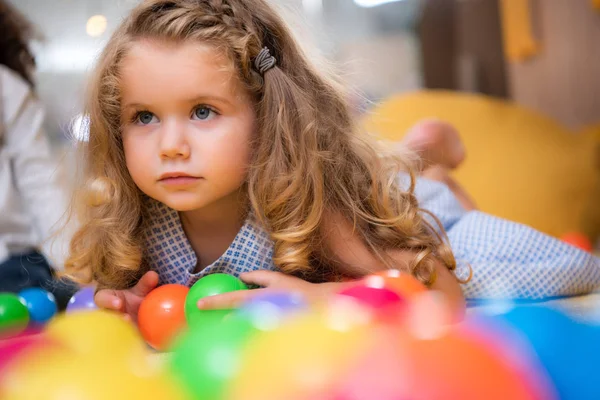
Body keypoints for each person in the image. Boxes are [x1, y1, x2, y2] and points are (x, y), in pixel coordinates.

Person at [65, 0, 599, 322]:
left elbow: (442, 295)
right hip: (375, 197)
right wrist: (130, 306)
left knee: (553, 266)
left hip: (385, 213)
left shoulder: (313, 207)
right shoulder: (140, 220)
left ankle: (434, 168)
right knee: (396, 184)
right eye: (144, 118)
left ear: (266, 115)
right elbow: (109, 295)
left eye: (203, 112)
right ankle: (421, 158)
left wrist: (321, 299)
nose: (170, 145)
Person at [0, 0, 77, 309]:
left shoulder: (7, 87)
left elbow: (40, 178)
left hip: (14, 260)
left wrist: (69, 258)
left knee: (53, 301)